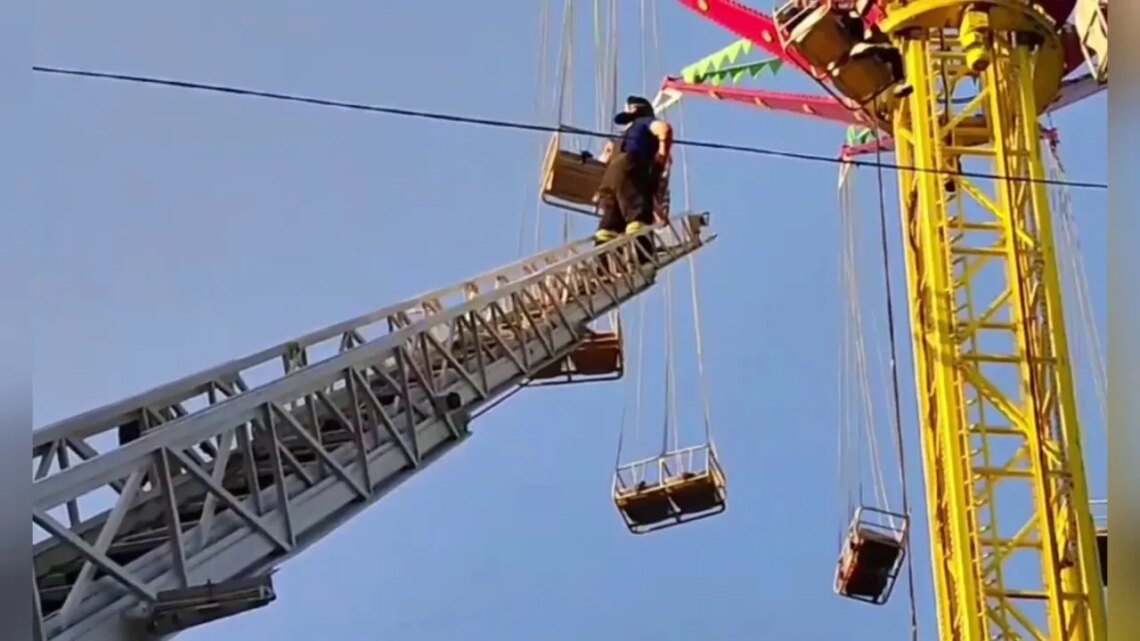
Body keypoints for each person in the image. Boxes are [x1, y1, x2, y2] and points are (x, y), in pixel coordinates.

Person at [593, 96, 674, 263]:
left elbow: (604, 158)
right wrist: (661, 159)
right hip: (631, 166)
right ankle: (642, 256)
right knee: (638, 214)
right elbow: (665, 129)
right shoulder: (644, 122)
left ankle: (602, 266)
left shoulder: (620, 139)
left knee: (610, 223)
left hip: (610, 176)